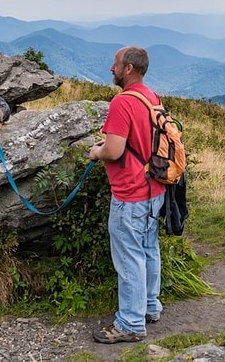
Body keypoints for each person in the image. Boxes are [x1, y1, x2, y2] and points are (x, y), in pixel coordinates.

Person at [88, 46, 167, 344]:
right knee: (149, 249)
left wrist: (97, 151)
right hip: (154, 188)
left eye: (116, 63)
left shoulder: (122, 102)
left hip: (129, 193)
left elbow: (114, 150)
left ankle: (131, 324)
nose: (112, 68)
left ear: (129, 68)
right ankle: (149, 307)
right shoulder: (151, 97)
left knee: (129, 256)